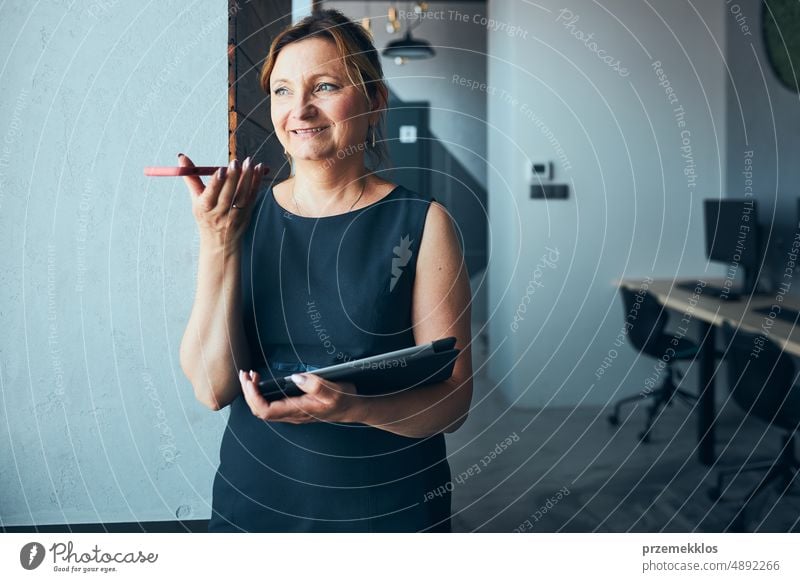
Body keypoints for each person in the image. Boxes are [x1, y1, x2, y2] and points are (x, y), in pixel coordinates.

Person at [178, 8, 473, 532]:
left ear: (375, 99)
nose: (301, 110)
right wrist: (216, 243)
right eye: (284, 91)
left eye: (326, 86)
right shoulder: (236, 221)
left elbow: (453, 403)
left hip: (391, 512)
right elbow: (210, 387)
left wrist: (353, 408)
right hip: (257, 502)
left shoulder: (425, 223)